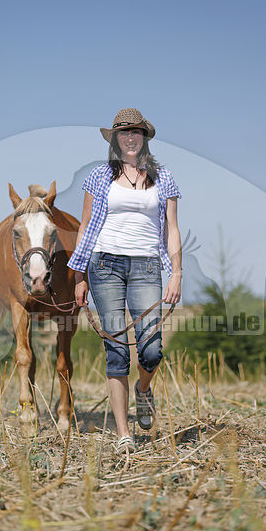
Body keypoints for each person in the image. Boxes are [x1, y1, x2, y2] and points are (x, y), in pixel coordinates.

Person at [67, 108, 182, 453]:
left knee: (151, 348)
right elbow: (85, 228)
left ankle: (143, 390)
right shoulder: (98, 177)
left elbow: (172, 229)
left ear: (144, 138)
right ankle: (124, 435)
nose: (130, 138)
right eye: (124, 133)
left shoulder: (165, 179)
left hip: (147, 266)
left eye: (136, 132)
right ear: (115, 140)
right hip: (105, 266)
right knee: (116, 351)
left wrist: (177, 272)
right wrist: (80, 275)